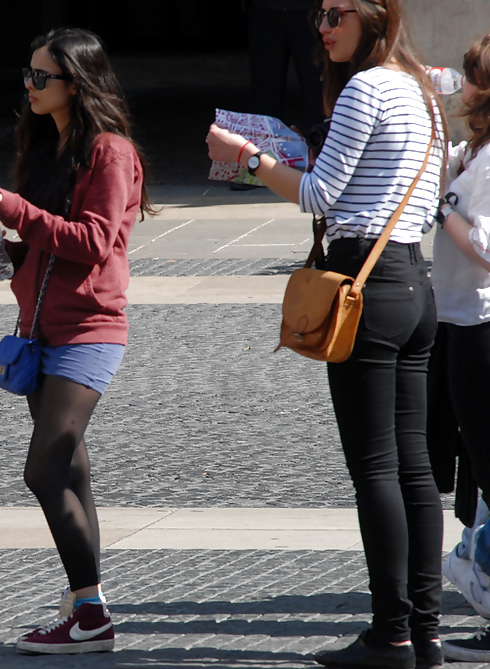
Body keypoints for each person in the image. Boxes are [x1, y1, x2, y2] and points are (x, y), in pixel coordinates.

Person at [207, 2, 445, 668]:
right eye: (320, 12)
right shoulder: (420, 89)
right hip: (410, 280)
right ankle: (423, 632)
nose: (322, 25)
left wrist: (247, 159)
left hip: (363, 284)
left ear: (376, 19)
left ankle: (391, 634)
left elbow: (319, 194)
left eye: (338, 13)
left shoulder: (366, 87)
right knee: (414, 468)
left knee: (377, 469)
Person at [0, 27, 153, 655]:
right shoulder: (49, 146)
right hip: (39, 333)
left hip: (90, 331)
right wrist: (6, 250)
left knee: (44, 469)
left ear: (78, 81)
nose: (30, 85)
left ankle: (92, 611)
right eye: (27, 74)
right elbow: (48, 244)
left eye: (41, 77)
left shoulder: (111, 152)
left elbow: (94, 242)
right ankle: (86, 608)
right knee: (71, 471)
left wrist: (17, 212)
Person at [429, 32, 490, 664]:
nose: (460, 85)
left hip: (481, 323)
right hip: (459, 320)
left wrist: (442, 207)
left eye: (470, 77)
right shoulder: (471, 150)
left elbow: (488, 250)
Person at [244, 0, 325, 133]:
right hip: (265, 9)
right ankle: (265, 149)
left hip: (311, 8)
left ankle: (323, 145)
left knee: (319, 90)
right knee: (264, 96)